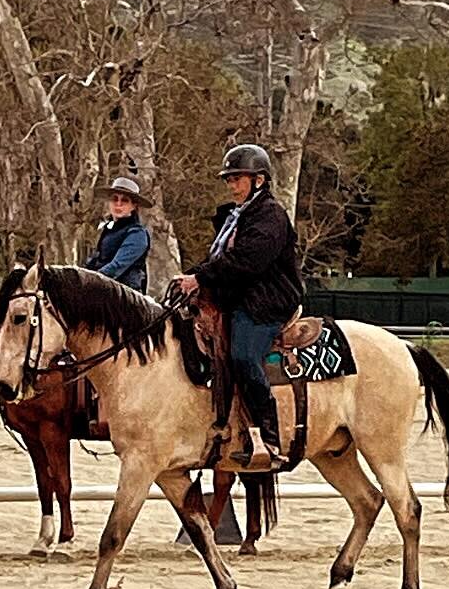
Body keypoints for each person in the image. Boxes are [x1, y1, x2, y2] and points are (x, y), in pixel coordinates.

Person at [177, 144, 302, 469]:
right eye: (229, 179)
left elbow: (248, 261)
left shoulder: (270, 216)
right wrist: (192, 276)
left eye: (237, 178)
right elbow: (219, 259)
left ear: (258, 180)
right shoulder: (236, 216)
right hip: (237, 296)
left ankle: (270, 437)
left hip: (265, 300)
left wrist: (201, 278)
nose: (231, 185)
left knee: (244, 355)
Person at [86, 177, 151, 291]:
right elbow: (95, 261)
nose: (118, 204)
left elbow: (117, 266)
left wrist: (89, 280)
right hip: (101, 288)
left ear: (134, 206)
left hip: (125, 296)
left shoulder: (137, 234)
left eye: (124, 200)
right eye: (114, 199)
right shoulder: (107, 230)